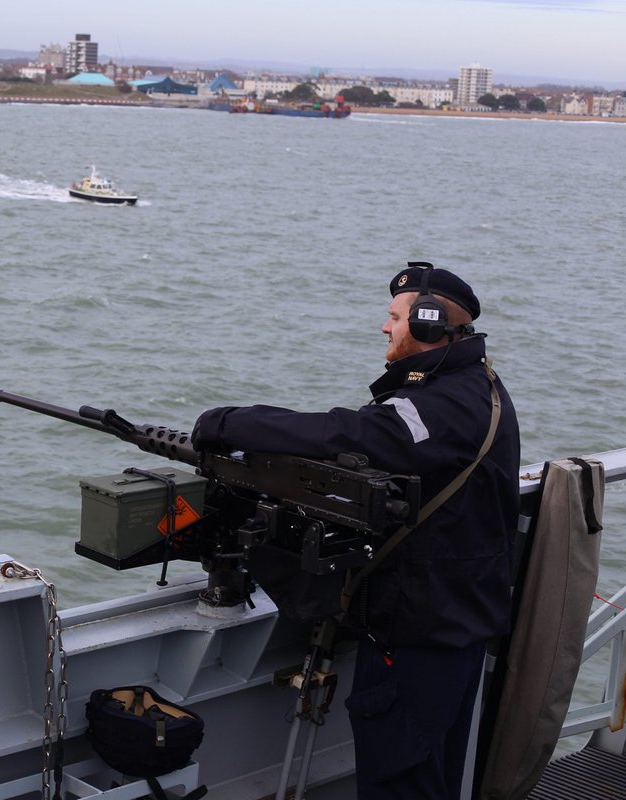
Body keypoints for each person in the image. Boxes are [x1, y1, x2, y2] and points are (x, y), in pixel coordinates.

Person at [190, 263, 520, 799]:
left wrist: (230, 422)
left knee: (401, 781)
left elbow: (356, 431)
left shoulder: (441, 405)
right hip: (457, 625)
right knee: (434, 777)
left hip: (419, 636)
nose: (385, 327)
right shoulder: (476, 385)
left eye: (394, 317)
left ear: (432, 326)